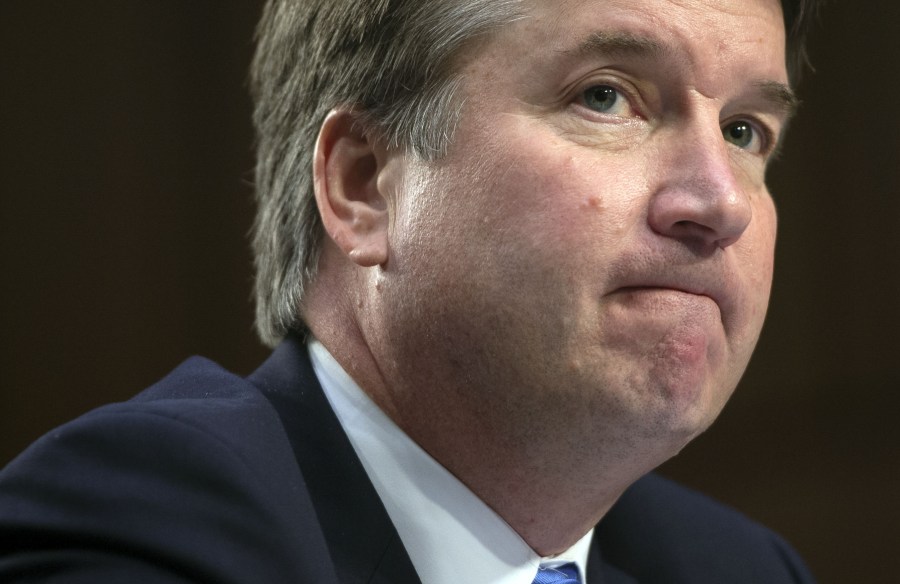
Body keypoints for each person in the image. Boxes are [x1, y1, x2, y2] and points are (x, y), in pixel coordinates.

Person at [0, 0, 819, 582]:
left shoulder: (737, 567)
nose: (721, 204)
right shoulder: (152, 526)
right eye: (605, 96)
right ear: (364, 186)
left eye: (746, 131)